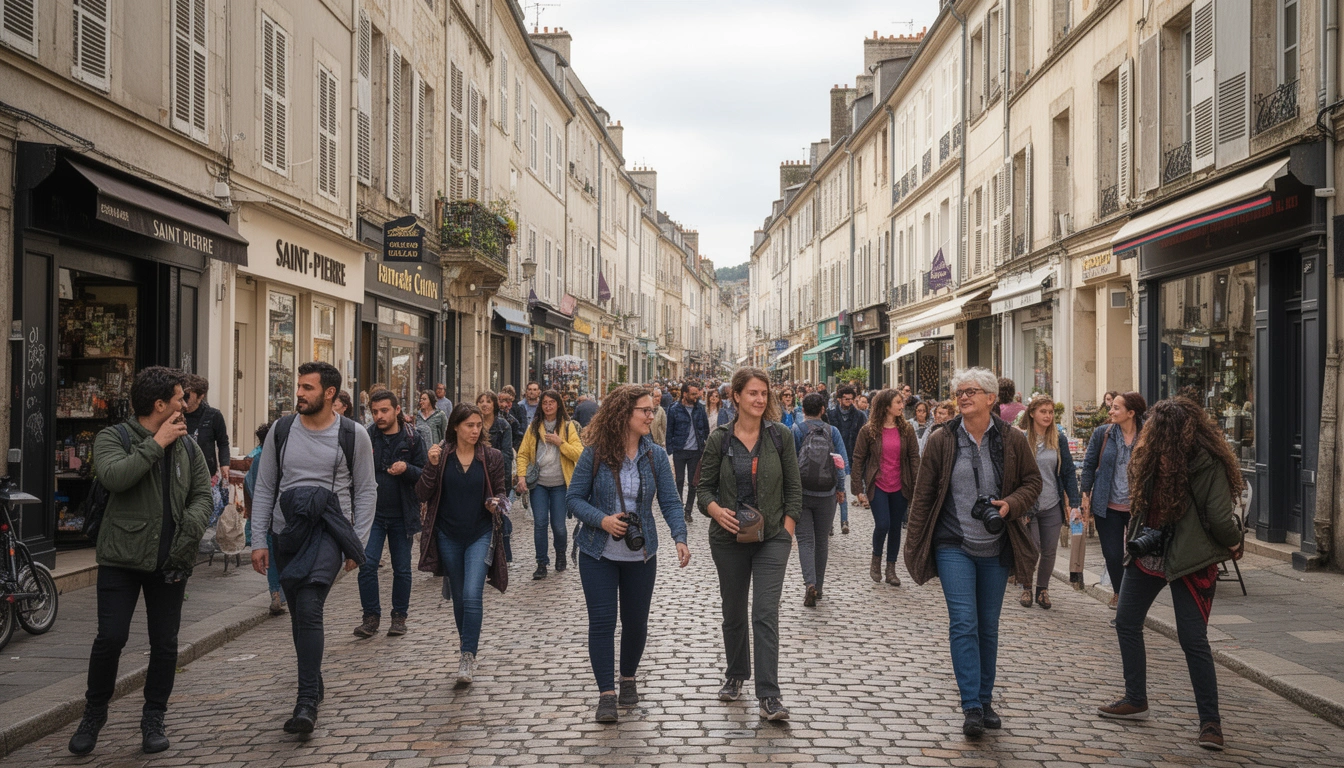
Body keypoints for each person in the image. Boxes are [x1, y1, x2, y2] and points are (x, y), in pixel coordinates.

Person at [68, 367, 212, 757]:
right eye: (180, 399)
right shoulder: (113, 438)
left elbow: (202, 494)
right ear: (160, 404)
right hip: (121, 558)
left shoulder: (187, 446)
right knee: (111, 638)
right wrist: (156, 443)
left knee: (164, 643)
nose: (186, 405)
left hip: (171, 559)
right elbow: (115, 477)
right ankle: (93, 714)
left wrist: (190, 529)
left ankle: (153, 718)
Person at [1097, 398, 1244, 752]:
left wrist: (1231, 540)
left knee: (1168, 633)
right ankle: (1172, 711)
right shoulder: (1156, 459)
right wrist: (1235, 542)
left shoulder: (1195, 462)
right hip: (1156, 553)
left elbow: (1217, 517)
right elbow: (1218, 517)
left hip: (1188, 557)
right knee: (1153, 629)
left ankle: (1201, 719)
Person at [903, 367, 1041, 738]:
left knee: (987, 625)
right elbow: (924, 494)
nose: (963, 397)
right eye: (960, 392)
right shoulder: (942, 439)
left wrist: (1011, 504)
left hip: (996, 545)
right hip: (954, 543)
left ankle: (985, 697)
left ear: (991, 399)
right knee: (964, 622)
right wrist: (914, 543)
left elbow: (1033, 482)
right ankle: (971, 705)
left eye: (972, 391)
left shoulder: (1012, 439)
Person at [250, 361, 377, 734]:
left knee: (308, 607)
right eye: (299, 386)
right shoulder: (281, 431)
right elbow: (265, 486)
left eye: (308, 387)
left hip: (328, 532)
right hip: (286, 532)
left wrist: (357, 544)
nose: (299, 393)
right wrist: (259, 539)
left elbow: (366, 490)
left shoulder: (353, 435)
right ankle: (313, 678)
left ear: (329, 393)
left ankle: (306, 702)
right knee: (299, 614)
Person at [567, 386, 691, 722]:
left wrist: (679, 537)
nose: (652, 416)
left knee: (636, 623)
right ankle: (606, 694)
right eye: (645, 411)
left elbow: (670, 501)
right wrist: (602, 520)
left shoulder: (655, 455)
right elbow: (574, 498)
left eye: (652, 410)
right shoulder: (595, 452)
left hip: (641, 553)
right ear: (624, 414)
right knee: (602, 622)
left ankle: (628, 678)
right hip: (598, 552)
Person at [698, 368, 801, 721]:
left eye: (764, 393)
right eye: (753, 393)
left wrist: (787, 530)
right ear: (737, 396)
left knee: (765, 613)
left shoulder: (780, 435)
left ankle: (769, 695)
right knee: (734, 612)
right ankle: (736, 673)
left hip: (772, 537)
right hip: (728, 539)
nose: (759, 399)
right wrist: (715, 511)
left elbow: (794, 488)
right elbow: (703, 489)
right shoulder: (720, 439)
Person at [415, 404, 508, 684]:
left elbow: (503, 495)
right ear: (455, 426)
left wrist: (496, 504)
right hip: (448, 535)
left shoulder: (491, 457)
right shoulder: (441, 456)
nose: (475, 430)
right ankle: (466, 644)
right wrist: (431, 466)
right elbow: (421, 492)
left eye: (479, 425)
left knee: (471, 594)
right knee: (458, 597)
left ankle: (468, 655)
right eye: (469, 425)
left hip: (480, 533)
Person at [354, 390, 427, 639]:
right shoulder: (366, 437)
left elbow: (425, 475)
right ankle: (370, 617)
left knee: (402, 568)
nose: (379, 416)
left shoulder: (413, 437)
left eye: (384, 410)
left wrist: (407, 468)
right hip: (372, 514)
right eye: (375, 411)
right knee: (367, 564)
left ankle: (399, 617)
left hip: (403, 514)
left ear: (397, 410)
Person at [1081, 391, 1148, 610]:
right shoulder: (1103, 433)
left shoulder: (1148, 435)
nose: (1110, 411)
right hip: (1107, 505)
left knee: (1138, 554)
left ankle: (1133, 596)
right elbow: (1089, 464)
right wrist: (1085, 494)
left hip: (1138, 507)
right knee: (1112, 554)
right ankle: (1119, 593)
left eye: (1116, 408)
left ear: (1131, 413)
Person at [1015, 395, 1081, 610]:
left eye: (1050, 412)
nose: (1048, 416)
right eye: (1043, 411)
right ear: (1032, 413)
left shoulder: (1058, 439)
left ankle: (1042, 589)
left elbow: (1068, 472)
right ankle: (1026, 586)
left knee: (1050, 550)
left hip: (1052, 502)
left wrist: (1075, 503)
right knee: (1032, 548)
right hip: (1029, 504)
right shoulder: (1022, 439)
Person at [852, 389, 921, 587]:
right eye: (898, 402)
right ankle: (876, 559)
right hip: (878, 484)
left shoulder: (906, 430)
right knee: (883, 524)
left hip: (901, 484)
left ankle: (891, 569)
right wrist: (857, 488)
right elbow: (858, 458)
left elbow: (914, 457)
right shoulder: (869, 430)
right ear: (886, 406)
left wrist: (917, 484)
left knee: (895, 527)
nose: (902, 405)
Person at [516, 389, 584, 579]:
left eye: (551, 403)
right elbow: (522, 454)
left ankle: (560, 553)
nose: (548, 406)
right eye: (544, 403)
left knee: (559, 526)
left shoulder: (568, 427)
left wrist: (560, 442)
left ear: (558, 404)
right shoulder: (534, 427)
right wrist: (521, 476)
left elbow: (579, 453)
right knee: (540, 523)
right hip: (539, 484)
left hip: (560, 485)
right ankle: (541, 563)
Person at [789, 393, 847, 606]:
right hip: (827, 494)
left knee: (805, 541)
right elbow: (841, 463)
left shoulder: (797, 430)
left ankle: (810, 584)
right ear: (823, 410)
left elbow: (790, 463)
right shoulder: (833, 431)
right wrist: (840, 489)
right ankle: (819, 587)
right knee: (821, 541)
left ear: (803, 410)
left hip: (803, 493)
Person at [242, 421, 285, 616]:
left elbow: (249, 485)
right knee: (283, 556)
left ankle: (275, 593)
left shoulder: (259, 457)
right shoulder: (280, 456)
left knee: (272, 558)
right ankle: (283, 593)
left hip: (266, 516)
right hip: (281, 515)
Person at [478, 391, 516, 561]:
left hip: (497, 477)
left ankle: (504, 553)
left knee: (498, 514)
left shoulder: (503, 426)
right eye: (481, 401)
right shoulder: (474, 424)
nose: (484, 404)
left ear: (494, 404)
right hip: (478, 477)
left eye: (488, 401)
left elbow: (507, 455)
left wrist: (504, 482)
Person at [666, 380, 711, 523]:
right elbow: (669, 429)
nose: (696, 397)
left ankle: (688, 511)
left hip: (695, 451)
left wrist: (704, 445)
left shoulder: (700, 409)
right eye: (693, 394)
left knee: (693, 482)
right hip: (680, 449)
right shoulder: (674, 409)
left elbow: (705, 429)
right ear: (684, 394)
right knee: (679, 480)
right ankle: (678, 508)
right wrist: (670, 448)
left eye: (697, 394)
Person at [827, 385, 863, 536]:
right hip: (831, 456)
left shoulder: (859, 416)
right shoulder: (830, 414)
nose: (849, 401)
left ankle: (843, 521)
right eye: (846, 399)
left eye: (851, 399)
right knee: (831, 491)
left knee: (842, 488)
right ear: (839, 399)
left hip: (850, 456)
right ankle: (830, 523)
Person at [181, 374, 230, 482]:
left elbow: (223, 442)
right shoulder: (175, 414)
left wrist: (224, 464)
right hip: (181, 473)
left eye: (188, 394)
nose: (184, 398)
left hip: (205, 473)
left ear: (200, 396)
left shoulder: (213, 415)